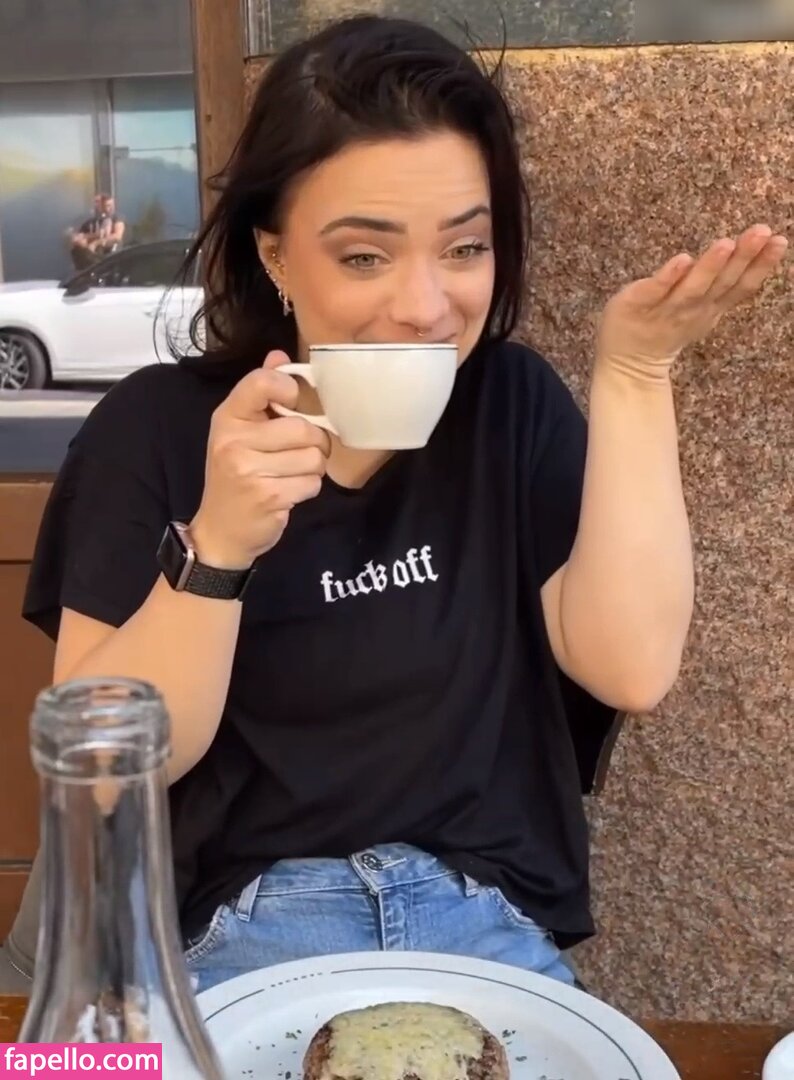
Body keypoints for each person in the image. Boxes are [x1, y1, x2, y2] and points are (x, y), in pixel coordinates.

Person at [20, 15, 787, 996]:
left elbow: (629, 665)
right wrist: (216, 548)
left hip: (482, 925)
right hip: (238, 939)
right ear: (275, 256)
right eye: (363, 257)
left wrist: (636, 373)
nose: (425, 306)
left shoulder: (509, 405)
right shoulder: (158, 430)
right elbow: (101, 770)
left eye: (464, 249)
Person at [67, 193, 125, 269]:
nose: (111, 208)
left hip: (110, 255)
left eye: (112, 205)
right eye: (107, 206)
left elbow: (117, 236)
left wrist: (95, 243)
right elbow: (78, 237)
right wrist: (83, 240)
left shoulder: (116, 218)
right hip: (95, 256)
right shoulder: (92, 221)